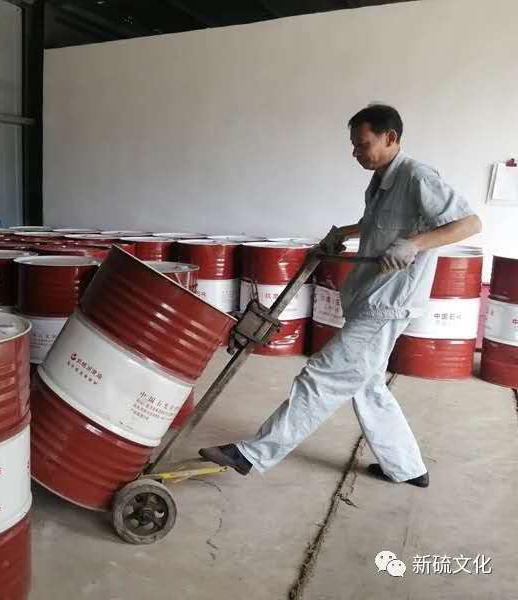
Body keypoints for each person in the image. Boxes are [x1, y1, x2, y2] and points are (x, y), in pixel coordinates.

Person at [199, 104, 482, 488]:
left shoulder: (416, 176)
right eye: (353, 145)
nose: (355, 153)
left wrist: (415, 244)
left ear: (390, 138)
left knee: (322, 376)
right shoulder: (380, 180)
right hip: (369, 295)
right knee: (368, 385)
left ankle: (253, 454)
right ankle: (407, 468)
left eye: (362, 144)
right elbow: (375, 224)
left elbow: (469, 223)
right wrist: (343, 233)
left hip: (388, 302)